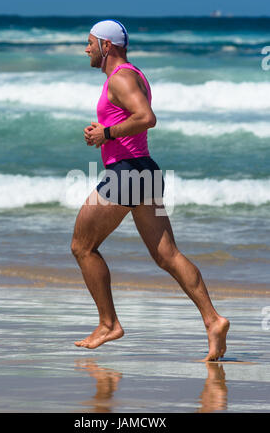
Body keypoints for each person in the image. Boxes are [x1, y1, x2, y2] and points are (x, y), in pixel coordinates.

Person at [71, 20, 229, 361]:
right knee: (167, 255)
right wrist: (104, 130)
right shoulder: (133, 75)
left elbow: (146, 117)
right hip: (144, 171)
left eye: (90, 43)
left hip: (127, 173)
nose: (86, 49)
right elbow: (133, 117)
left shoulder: (122, 78)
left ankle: (108, 324)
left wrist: (107, 134)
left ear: (106, 46)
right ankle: (213, 320)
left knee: (82, 246)